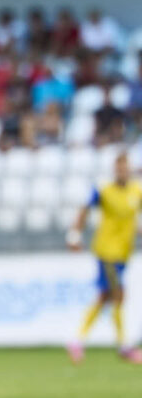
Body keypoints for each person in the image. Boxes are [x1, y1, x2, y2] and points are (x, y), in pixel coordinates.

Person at [66, 152, 142, 364]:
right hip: (107, 251)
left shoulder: (136, 191)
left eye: (125, 168)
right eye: (118, 169)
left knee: (104, 297)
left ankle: (77, 341)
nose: (122, 172)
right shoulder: (104, 191)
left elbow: (131, 220)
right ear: (114, 170)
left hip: (124, 253)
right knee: (118, 293)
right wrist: (74, 235)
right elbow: (84, 209)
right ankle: (124, 346)